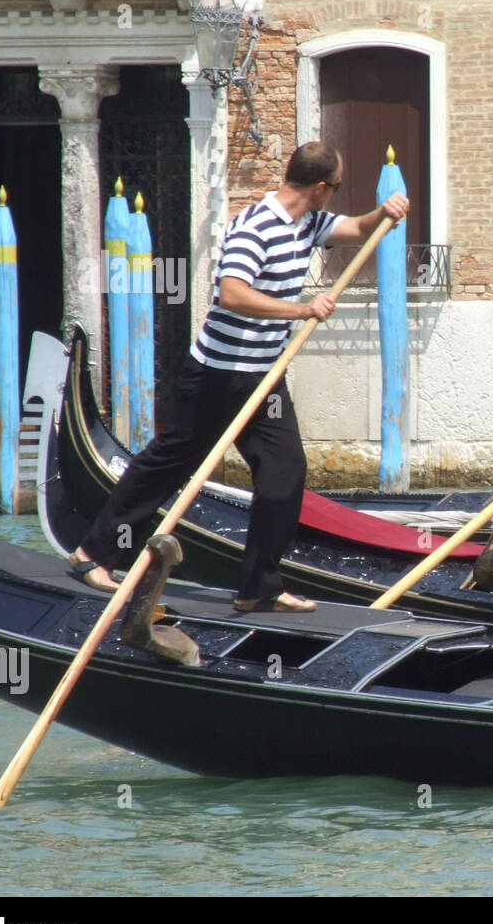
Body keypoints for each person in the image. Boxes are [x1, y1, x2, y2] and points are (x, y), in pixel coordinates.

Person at [68, 141, 410, 612]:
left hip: (265, 377)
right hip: (216, 374)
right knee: (168, 464)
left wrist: (383, 213)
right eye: (337, 186)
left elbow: (354, 228)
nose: (336, 194)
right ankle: (94, 554)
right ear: (318, 187)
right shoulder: (255, 227)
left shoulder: (308, 221)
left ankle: (257, 587)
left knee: (284, 474)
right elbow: (232, 294)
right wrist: (301, 308)